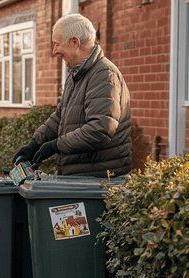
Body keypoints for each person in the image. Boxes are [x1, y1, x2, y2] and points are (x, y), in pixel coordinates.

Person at [13, 13, 132, 177]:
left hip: (99, 180)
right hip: (80, 176)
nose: (55, 51)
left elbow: (100, 130)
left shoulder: (103, 74)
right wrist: (35, 143)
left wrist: (55, 146)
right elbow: (61, 116)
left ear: (74, 42)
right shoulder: (76, 75)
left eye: (56, 44)